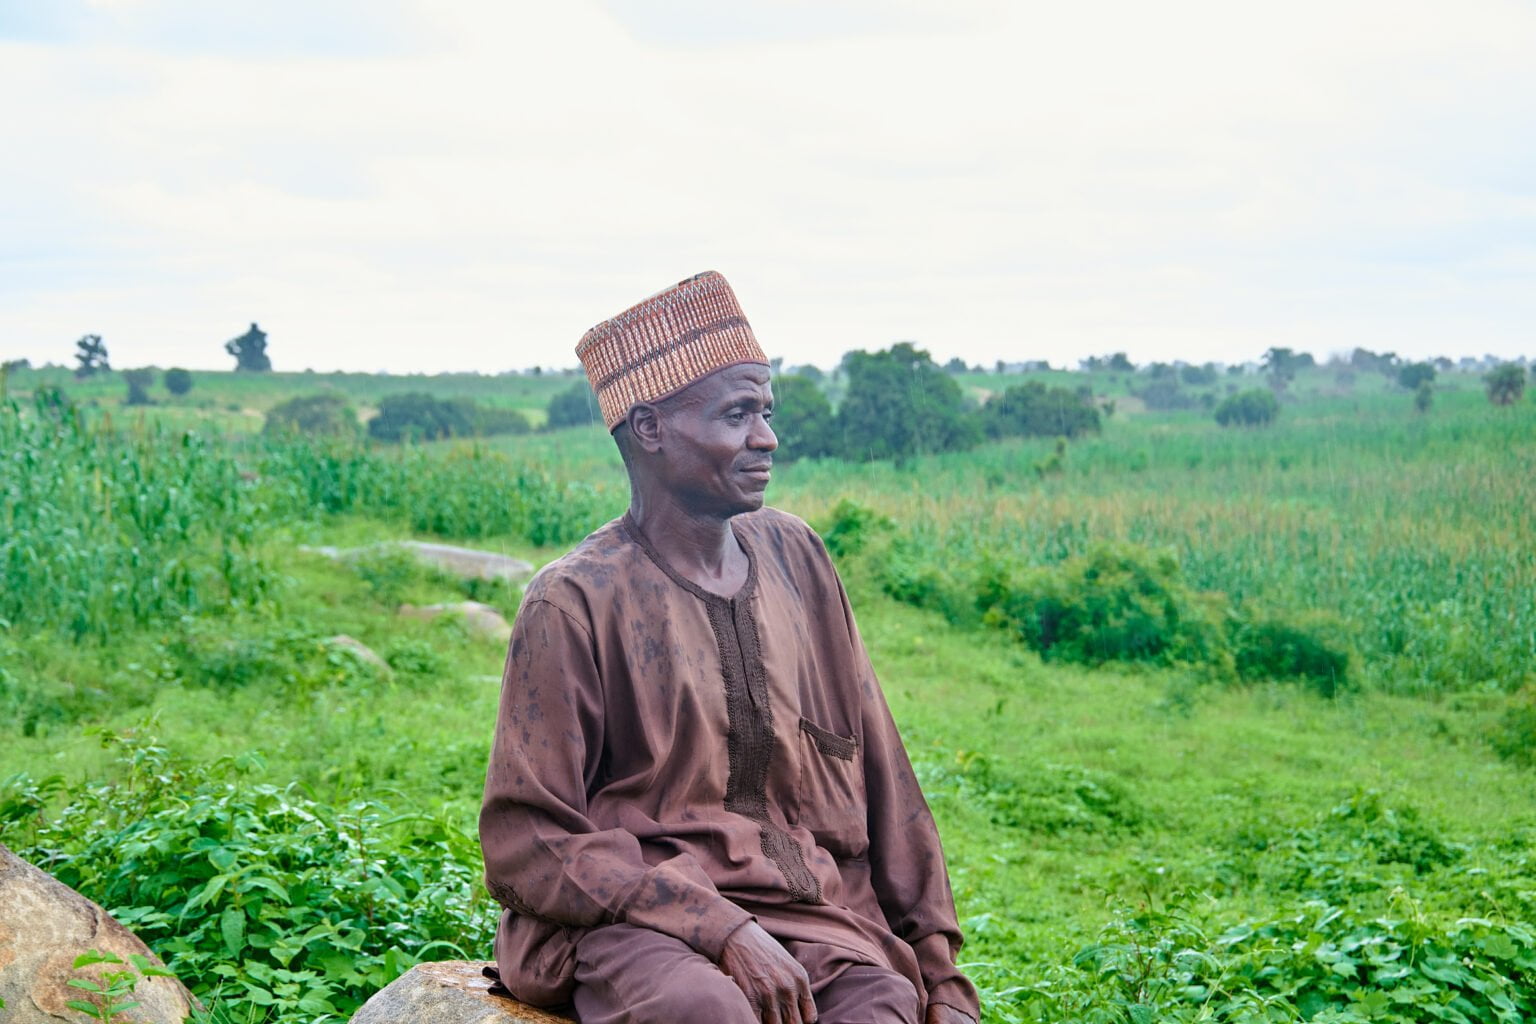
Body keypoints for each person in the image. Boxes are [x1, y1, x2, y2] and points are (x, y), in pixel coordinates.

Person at [480, 272, 980, 1024]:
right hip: (631, 926)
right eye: (738, 414)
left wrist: (941, 977)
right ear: (650, 429)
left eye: (767, 412)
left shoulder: (796, 559)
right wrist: (721, 927)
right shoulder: (573, 601)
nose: (766, 438)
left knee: (881, 1004)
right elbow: (527, 843)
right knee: (706, 1011)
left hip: (809, 914)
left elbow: (883, 774)